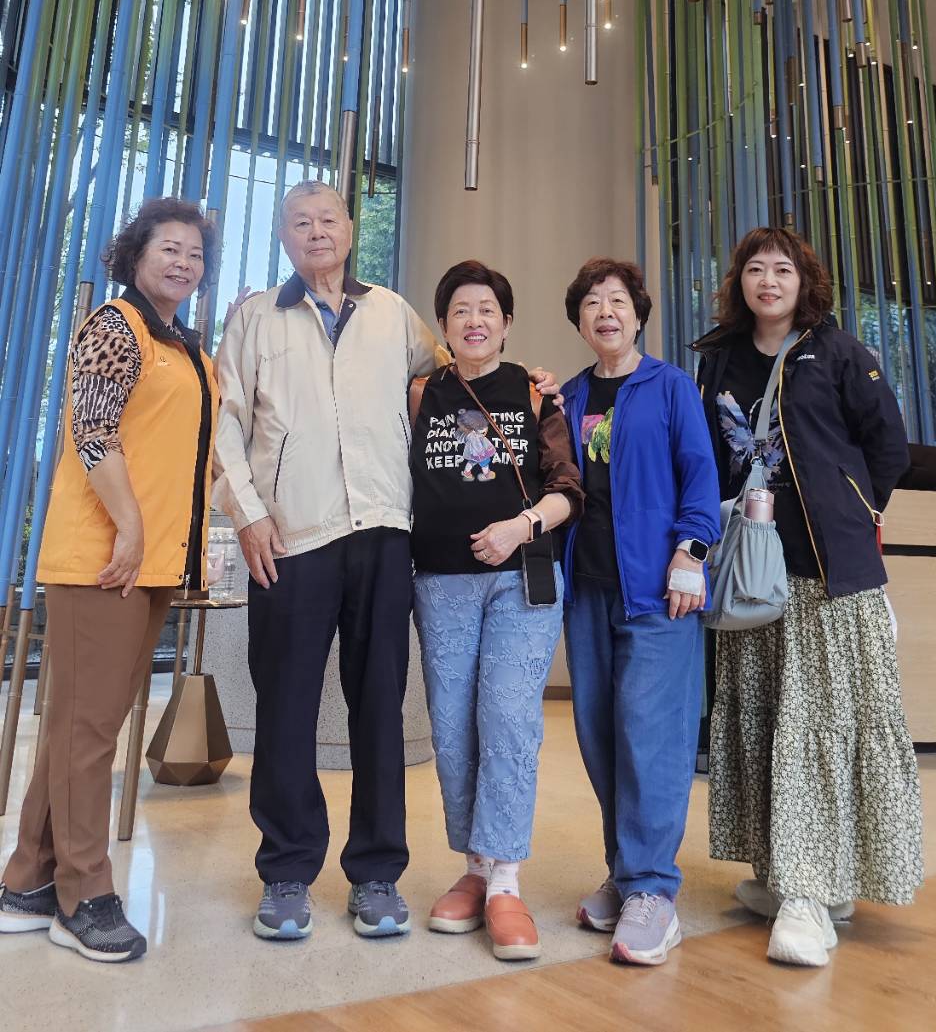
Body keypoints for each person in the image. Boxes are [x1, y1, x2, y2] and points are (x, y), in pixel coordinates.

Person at [213, 183, 559, 944]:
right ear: (283, 236)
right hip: (291, 537)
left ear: (349, 229)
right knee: (285, 709)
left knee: (378, 710)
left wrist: (529, 382)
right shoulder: (253, 318)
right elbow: (226, 423)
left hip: (383, 535)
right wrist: (248, 513)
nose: (316, 232)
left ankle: (376, 873)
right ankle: (286, 873)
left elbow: (462, 371)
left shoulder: (392, 313)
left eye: (328, 219)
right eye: (300, 222)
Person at [695, 226, 924, 968]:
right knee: (764, 723)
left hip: (826, 574)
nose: (768, 280)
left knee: (815, 728)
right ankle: (789, 873)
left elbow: (888, 447)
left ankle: (809, 894)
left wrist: (852, 510)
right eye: (755, 268)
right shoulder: (718, 358)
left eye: (782, 269)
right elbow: (706, 456)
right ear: (739, 281)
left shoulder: (840, 352)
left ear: (804, 282)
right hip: (747, 571)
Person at [0, 198, 219, 964]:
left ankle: (28, 878)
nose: (183, 261)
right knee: (89, 731)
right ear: (135, 254)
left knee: (80, 726)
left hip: (151, 561)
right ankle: (83, 895)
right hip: (105, 559)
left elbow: (193, 455)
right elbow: (91, 431)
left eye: (194, 252)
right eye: (169, 247)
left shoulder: (184, 346)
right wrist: (128, 525)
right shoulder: (116, 326)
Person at [409, 260, 583, 962]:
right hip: (440, 581)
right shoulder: (421, 393)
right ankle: (475, 869)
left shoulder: (536, 394)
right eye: (460, 310)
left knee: (508, 719)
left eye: (487, 309)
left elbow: (569, 489)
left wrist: (520, 527)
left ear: (507, 323)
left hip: (522, 578)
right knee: (453, 728)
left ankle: (506, 878)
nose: (474, 320)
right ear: (443, 326)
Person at [560, 257, 721, 967]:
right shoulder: (568, 396)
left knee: (650, 736)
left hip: (658, 589)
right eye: (592, 302)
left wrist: (692, 550)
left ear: (638, 314)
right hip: (588, 590)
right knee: (600, 734)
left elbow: (701, 472)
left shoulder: (670, 385)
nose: (606, 311)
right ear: (580, 320)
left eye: (618, 300)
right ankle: (626, 873)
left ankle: (654, 889)